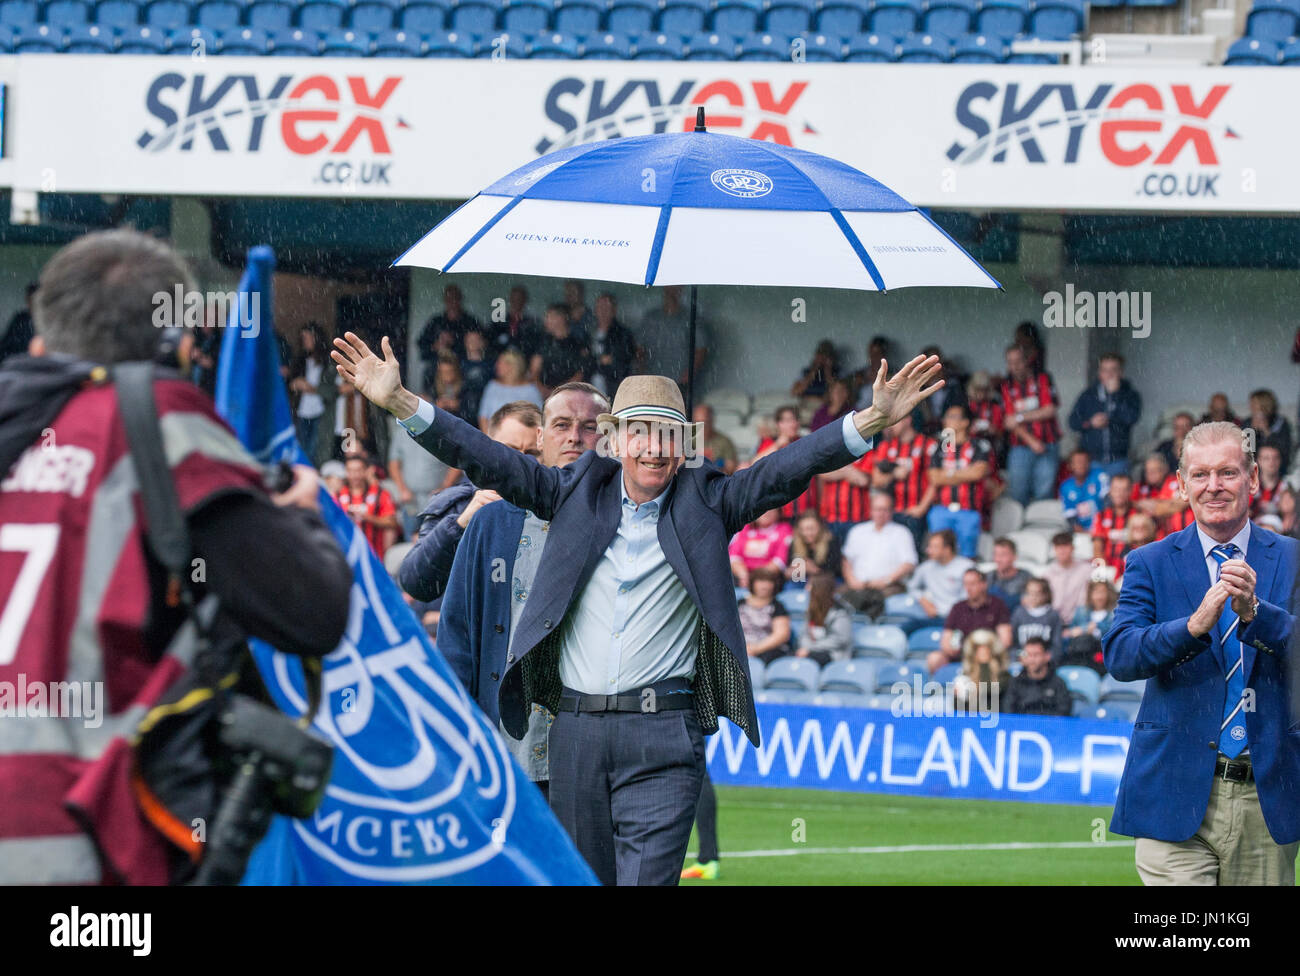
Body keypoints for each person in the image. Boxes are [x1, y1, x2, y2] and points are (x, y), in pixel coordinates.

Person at [332, 331, 943, 885]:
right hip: (573, 737)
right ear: (616, 439)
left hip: (664, 738)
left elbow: (790, 467)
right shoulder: (568, 491)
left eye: (669, 433)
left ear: (685, 444)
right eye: (642, 432)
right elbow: (488, 458)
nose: (655, 448)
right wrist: (401, 403)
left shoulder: (710, 502)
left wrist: (871, 419)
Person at [0, 229, 350, 885]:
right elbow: (313, 613)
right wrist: (302, 517)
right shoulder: (158, 423)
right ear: (180, 346)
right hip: (82, 841)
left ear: (43, 342)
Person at [1104, 421, 1299, 885]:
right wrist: (1191, 628)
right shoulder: (1149, 561)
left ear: (1253, 479)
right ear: (1181, 484)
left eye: (1228, 473)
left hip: (1266, 795)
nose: (1214, 486)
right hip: (1171, 790)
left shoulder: (1292, 559)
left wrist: (1257, 614)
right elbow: (1121, 654)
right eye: (1200, 475)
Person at [436, 383, 608, 805]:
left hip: (591, 754)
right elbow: (456, 636)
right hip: (501, 750)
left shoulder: (628, 526)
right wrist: (456, 730)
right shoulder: (490, 523)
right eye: (562, 425)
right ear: (541, 439)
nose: (574, 437)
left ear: (609, 440)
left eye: (589, 428)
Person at [398, 400, 542, 602]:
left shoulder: (556, 504)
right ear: (487, 448)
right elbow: (415, 582)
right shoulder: (458, 503)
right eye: (510, 450)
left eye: (533, 454)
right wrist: (460, 524)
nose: (520, 462)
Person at [925, 403, 993, 559]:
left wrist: (947, 475)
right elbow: (934, 478)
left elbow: (977, 473)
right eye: (947, 417)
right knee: (938, 554)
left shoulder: (979, 446)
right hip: (941, 510)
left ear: (965, 422)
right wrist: (963, 474)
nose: (947, 421)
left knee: (967, 555)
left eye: (952, 417)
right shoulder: (938, 447)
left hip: (968, 510)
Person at [1001, 343, 1061, 505]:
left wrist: (1020, 418)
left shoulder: (1042, 378)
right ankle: (1019, 529)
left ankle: (1040, 529)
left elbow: (1049, 409)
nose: (1015, 366)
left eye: (1018, 361)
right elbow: (1008, 421)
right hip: (1020, 446)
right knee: (1018, 491)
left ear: (1027, 360)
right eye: (1010, 362)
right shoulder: (1006, 385)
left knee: (1044, 491)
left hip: (1048, 443)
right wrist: (1031, 440)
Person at [839, 491, 917, 617]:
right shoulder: (857, 531)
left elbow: (909, 563)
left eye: (884, 509)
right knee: (835, 598)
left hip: (889, 587)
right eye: (877, 509)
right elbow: (846, 560)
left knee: (874, 601)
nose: (880, 513)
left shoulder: (901, 533)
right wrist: (851, 580)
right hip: (858, 585)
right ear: (870, 510)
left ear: (891, 511)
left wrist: (886, 580)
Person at [1068, 353, 1142, 478]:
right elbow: (1073, 422)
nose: (1109, 374)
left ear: (1121, 372)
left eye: (1113, 370)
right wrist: (1091, 423)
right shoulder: (1088, 395)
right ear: (1099, 373)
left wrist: (1115, 395)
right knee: (1091, 497)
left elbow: (1131, 418)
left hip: (1118, 459)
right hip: (1091, 461)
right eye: (1105, 370)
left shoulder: (1130, 395)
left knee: (1117, 496)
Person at [870, 412, 935, 550]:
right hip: (891, 512)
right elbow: (876, 480)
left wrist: (921, 508)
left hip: (916, 512)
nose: (890, 426)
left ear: (907, 420)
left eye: (894, 421)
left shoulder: (928, 444)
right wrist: (894, 473)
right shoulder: (885, 446)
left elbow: (935, 481)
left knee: (914, 552)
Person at [929, 568, 1012, 674]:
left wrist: (986, 652)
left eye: (972, 584)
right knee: (934, 659)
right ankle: (935, 689)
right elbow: (946, 639)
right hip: (961, 655)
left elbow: (1005, 640)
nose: (968, 588)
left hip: (988, 655)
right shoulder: (958, 608)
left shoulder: (997, 605)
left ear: (983, 585)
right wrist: (951, 648)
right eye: (966, 584)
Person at [748, 404, 818, 519]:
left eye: (795, 420)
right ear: (778, 424)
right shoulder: (770, 443)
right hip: (780, 511)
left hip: (807, 510)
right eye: (787, 420)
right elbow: (755, 464)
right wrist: (779, 443)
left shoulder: (806, 442)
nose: (792, 424)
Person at [637, 284, 709, 388]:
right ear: (664, 288)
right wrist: (642, 373)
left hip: (679, 382)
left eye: (676, 287)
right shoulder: (651, 318)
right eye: (670, 287)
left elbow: (701, 350)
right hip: (653, 380)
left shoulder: (690, 318)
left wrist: (687, 376)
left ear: (682, 289)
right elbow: (639, 348)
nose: (673, 290)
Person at [336, 452, 401, 560]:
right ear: (346, 472)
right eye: (350, 471)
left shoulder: (381, 494)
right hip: (345, 557)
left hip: (374, 557)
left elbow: (392, 523)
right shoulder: (337, 496)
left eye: (358, 470)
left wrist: (367, 517)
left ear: (366, 471)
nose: (354, 475)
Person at [417, 283, 480, 383]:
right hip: (437, 366)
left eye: (455, 298)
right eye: (449, 299)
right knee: (429, 372)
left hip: (463, 365)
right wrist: (437, 345)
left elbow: (479, 347)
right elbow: (422, 345)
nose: (452, 302)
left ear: (460, 299)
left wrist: (458, 342)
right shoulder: (436, 321)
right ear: (445, 300)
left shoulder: (470, 322)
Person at [906, 529, 974, 621]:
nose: (928, 550)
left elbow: (969, 597)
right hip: (932, 617)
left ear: (947, 549)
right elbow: (911, 587)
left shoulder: (967, 567)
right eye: (929, 546)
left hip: (959, 618)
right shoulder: (926, 567)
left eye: (934, 547)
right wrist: (923, 600)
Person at [287, 322, 329, 467]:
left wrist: (311, 388)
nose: (305, 341)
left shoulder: (327, 360)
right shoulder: (300, 360)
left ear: (317, 338)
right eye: (303, 338)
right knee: (303, 447)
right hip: (302, 410)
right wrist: (295, 384)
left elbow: (332, 389)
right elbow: (291, 383)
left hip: (320, 410)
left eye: (308, 337)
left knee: (316, 449)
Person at [532, 303, 593, 397]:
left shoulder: (578, 344)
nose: (546, 321)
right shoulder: (543, 342)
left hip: (570, 394)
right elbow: (534, 370)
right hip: (543, 394)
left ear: (561, 318)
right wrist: (542, 389)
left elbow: (580, 374)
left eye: (549, 317)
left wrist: (559, 391)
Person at [794, 573, 853, 666]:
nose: (806, 588)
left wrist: (810, 648)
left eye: (810, 585)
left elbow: (839, 639)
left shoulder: (840, 612)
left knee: (808, 661)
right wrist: (805, 647)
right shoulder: (811, 610)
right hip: (811, 650)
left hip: (833, 654)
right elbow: (804, 633)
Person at [1002, 637, 1072, 717]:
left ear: (1047, 656)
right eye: (1027, 655)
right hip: (1021, 728)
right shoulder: (1015, 682)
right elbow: (1008, 711)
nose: (1031, 659)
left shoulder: (1058, 683)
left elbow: (1063, 713)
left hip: (1049, 727)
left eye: (1036, 655)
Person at [477, 348, 543, 431]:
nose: (497, 365)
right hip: (494, 438)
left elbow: (539, 419)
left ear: (512, 366)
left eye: (501, 363)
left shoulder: (530, 390)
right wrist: (489, 440)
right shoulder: (492, 386)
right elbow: (483, 416)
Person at [738, 566, 793, 664]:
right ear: (752, 583)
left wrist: (756, 648)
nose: (765, 586)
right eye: (760, 581)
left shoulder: (777, 607)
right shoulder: (739, 604)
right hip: (741, 647)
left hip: (767, 650)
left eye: (769, 582)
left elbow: (782, 634)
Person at [587, 292, 637, 397]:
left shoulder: (623, 333)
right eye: (600, 307)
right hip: (588, 385)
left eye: (606, 307)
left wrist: (597, 361)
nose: (603, 311)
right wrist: (599, 360)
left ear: (614, 310)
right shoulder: (589, 332)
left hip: (615, 385)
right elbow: (583, 359)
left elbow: (621, 360)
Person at [728, 508, 792, 589]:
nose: (766, 512)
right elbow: (733, 557)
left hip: (769, 579)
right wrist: (744, 575)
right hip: (743, 578)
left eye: (771, 509)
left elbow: (779, 561)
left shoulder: (784, 529)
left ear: (778, 512)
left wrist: (756, 578)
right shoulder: (744, 528)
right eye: (763, 508)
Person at [951, 628, 1010, 714]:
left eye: (986, 650)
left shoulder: (1003, 675)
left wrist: (984, 665)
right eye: (979, 650)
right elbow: (959, 709)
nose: (982, 653)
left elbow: (988, 691)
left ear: (992, 652)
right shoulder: (966, 675)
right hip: (972, 721)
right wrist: (958, 697)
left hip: (995, 719)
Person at [1135, 451, 1193, 539]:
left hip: (1185, 533)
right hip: (1159, 539)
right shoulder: (1142, 489)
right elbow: (1132, 504)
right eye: (1148, 471)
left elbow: (1183, 502)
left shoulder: (1178, 483)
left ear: (1165, 469)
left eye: (1154, 470)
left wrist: (1156, 506)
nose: (1150, 474)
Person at [1063, 579, 1117, 673]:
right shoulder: (1081, 612)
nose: (1099, 597)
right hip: (1082, 657)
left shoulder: (1114, 613)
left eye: (1102, 592)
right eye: (1096, 592)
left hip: (1103, 657)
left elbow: (1113, 632)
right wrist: (1086, 629)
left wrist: (1095, 626)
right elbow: (1070, 633)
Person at [1009, 577, 1063, 662]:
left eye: (1037, 593)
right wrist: (1022, 656)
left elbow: (1057, 645)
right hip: (1023, 658)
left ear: (1046, 595)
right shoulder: (1019, 613)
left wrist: (1046, 657)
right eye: (1029, 593)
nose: (1033, 597)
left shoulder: (1053, 615)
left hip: (1045, 661)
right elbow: (1013, 643)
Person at [1043, 531, 1092, 623]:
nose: (1062, 551)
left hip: (1080, 620)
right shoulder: (1047, 574)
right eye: (1058, 547)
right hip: (1054, 621)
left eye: (1065, 546)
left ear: (1073, 548)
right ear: (1054, 549)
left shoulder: (1087, 570)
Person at [1092, 472, 1135, 576]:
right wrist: (1104, 571)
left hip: (1131, 569)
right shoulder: (1101, 516)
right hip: (1108, 569)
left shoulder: (1137, 516)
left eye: (1124, 490)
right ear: (1110, 491)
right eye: (1116, 489)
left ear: (1130, 491)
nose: (1120, 494)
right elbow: (1097, 547)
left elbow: (1143, 546)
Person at [1058, 448, 1109, 532]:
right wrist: (1082, 532)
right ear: (1070, 466)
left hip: (1102, 527)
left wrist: (1100, 528)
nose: (1082, 465)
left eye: (1085, 461)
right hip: (1081, 531)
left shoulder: (1099, 475)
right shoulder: (1065, 486)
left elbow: (1108, 502)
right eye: (1078, 462)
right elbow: (1070, 514)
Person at [788, 509, 842, 584]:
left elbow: (836, 571)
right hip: (802, 580)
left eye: (811, 528)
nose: (807, 533)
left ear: (820, 527)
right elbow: (791, 573)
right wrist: (792, 571)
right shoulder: (795, 543)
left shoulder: (831, 543)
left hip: (827, 581)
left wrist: (814, 569)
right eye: (803, 529)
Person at [491, 284, 542, 359]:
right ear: (510, 299)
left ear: (525, 300)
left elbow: (533, 346)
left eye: (519, 298)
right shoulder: (499, 320)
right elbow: (492, 342)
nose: (516, 301)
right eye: (514, 298)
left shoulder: (532, 322)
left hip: (524, 361)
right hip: (501, 361)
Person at [1252, 442, 1295, 532]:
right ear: (1258, 460)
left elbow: (1290, 515)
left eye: (1275, 458)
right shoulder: (1249, 485)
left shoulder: (1287, 487)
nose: (1271, 462)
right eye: (1266, 458)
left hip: (1279, 531)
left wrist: (1290, 515)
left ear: (1280, 460)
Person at [1248, 388, 1293, 471]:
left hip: (1277, 468)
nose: (1251, 407)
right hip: (1255, 468)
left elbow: (1285, 451)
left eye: (1254, 404)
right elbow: (1245, 454)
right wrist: (1252, 431)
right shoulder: (1247, 423)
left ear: (1265, 405)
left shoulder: (1281, 423)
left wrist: (1266, 431)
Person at [986, 536, 1031, 609]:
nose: (998, 559)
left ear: (1014, 556)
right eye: (996, 554)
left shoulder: (1026, 577)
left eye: (1003, 555)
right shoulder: (988, 577)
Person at [0, 282, 36, 366]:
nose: (31, 302)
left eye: (34, 299)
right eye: (29, 298)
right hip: (19, 362)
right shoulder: (21, 318)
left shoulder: (47, 318)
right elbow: (6, 343)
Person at [694, 403, 737, 474]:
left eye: (705, 422)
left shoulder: (724, 441)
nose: (701, 426)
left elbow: (731, 467)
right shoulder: (688, 440)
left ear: (712, 420)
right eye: (697, 422)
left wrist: (717, 463)